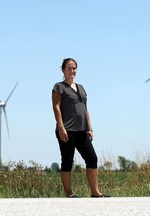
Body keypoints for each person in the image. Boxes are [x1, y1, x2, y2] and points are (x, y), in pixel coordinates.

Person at [52, 58, 109, 198]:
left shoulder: (81, 88)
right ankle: (69, 193)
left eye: (74, 68)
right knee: (67, 161)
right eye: (69, 68)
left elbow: (85, 109)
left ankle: (95, 192)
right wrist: (61, 127)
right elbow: (56, 107)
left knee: (92, 158)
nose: (72, 71)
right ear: (63, 70)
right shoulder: (59, 86)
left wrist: (89, 128)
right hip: (67, 130)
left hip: (82, 130)